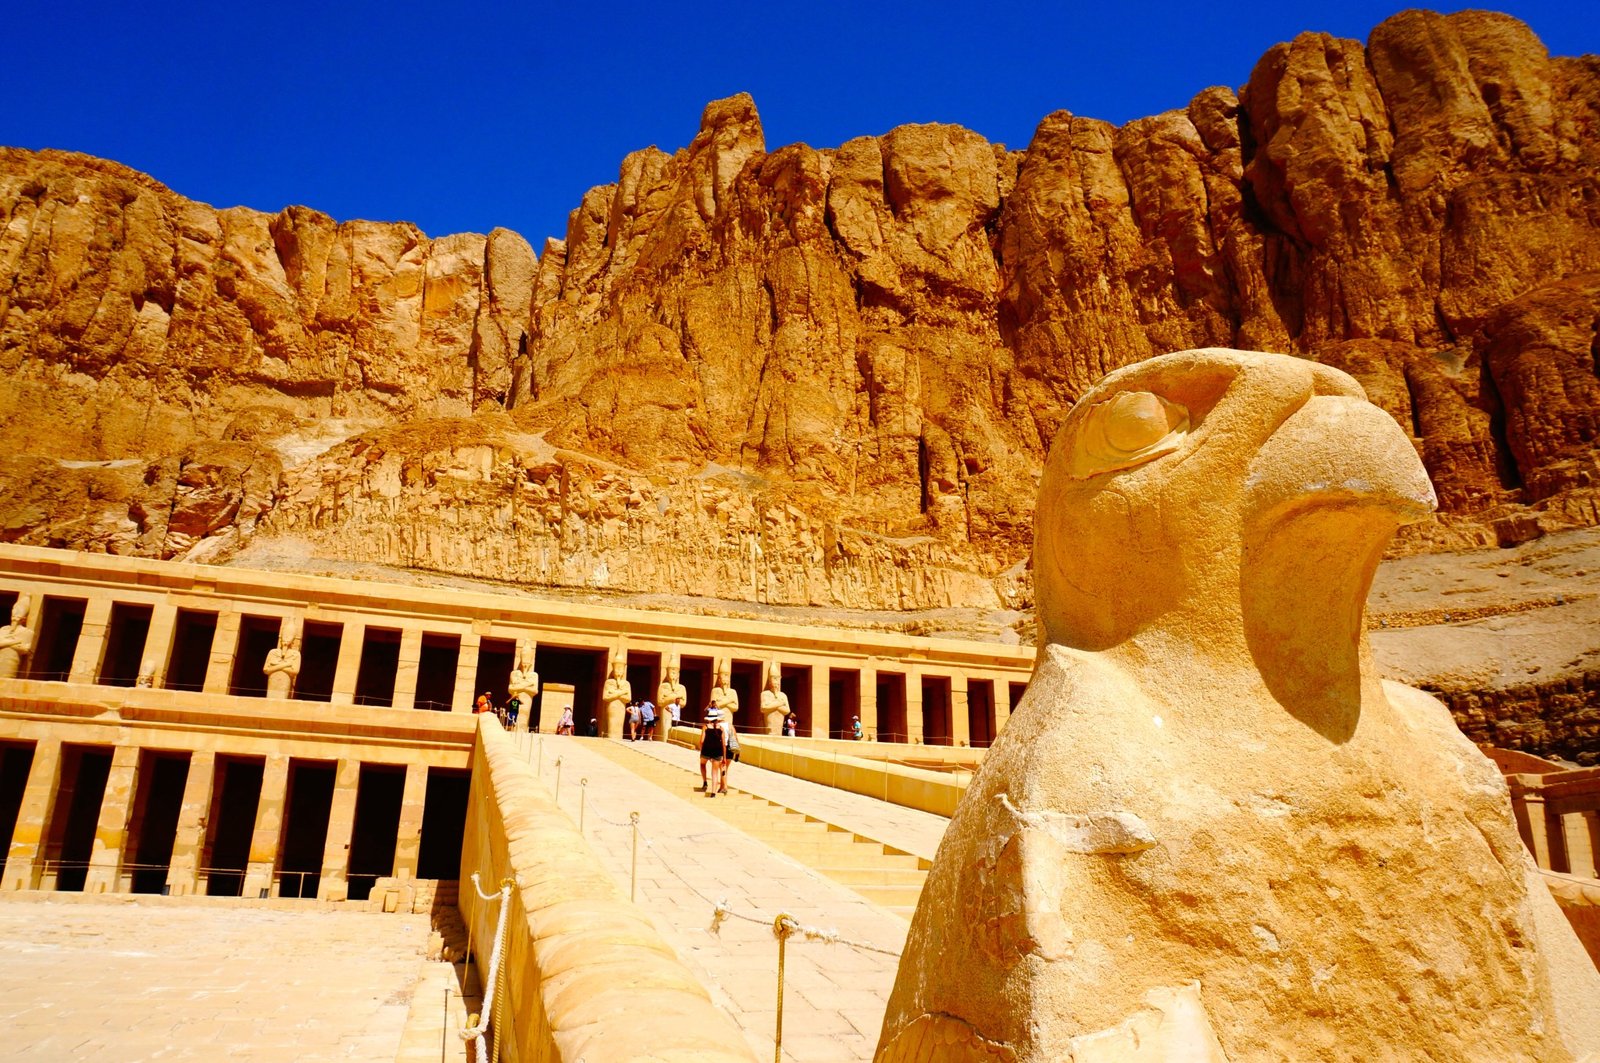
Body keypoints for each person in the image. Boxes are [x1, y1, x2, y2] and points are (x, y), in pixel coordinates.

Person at [698, 708, 726, 796]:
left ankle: (705, 781)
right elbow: (724, 744)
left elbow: (702, 741)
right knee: (715, 772)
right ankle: (713, 792)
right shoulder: (721, 729)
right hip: (718, 751)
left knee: (702, 764)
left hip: (707, 749)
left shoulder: (705, 727)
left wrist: (701, 750)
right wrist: (724, 757)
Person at [720, 711, 739, 793]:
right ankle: (721, 786)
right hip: (730, 748)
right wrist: (738, 751)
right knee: (725, 768)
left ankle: (725, 787)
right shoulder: (730, 725)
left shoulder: (718, 726)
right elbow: (735, 737)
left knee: (722, 768)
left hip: (722, 747)